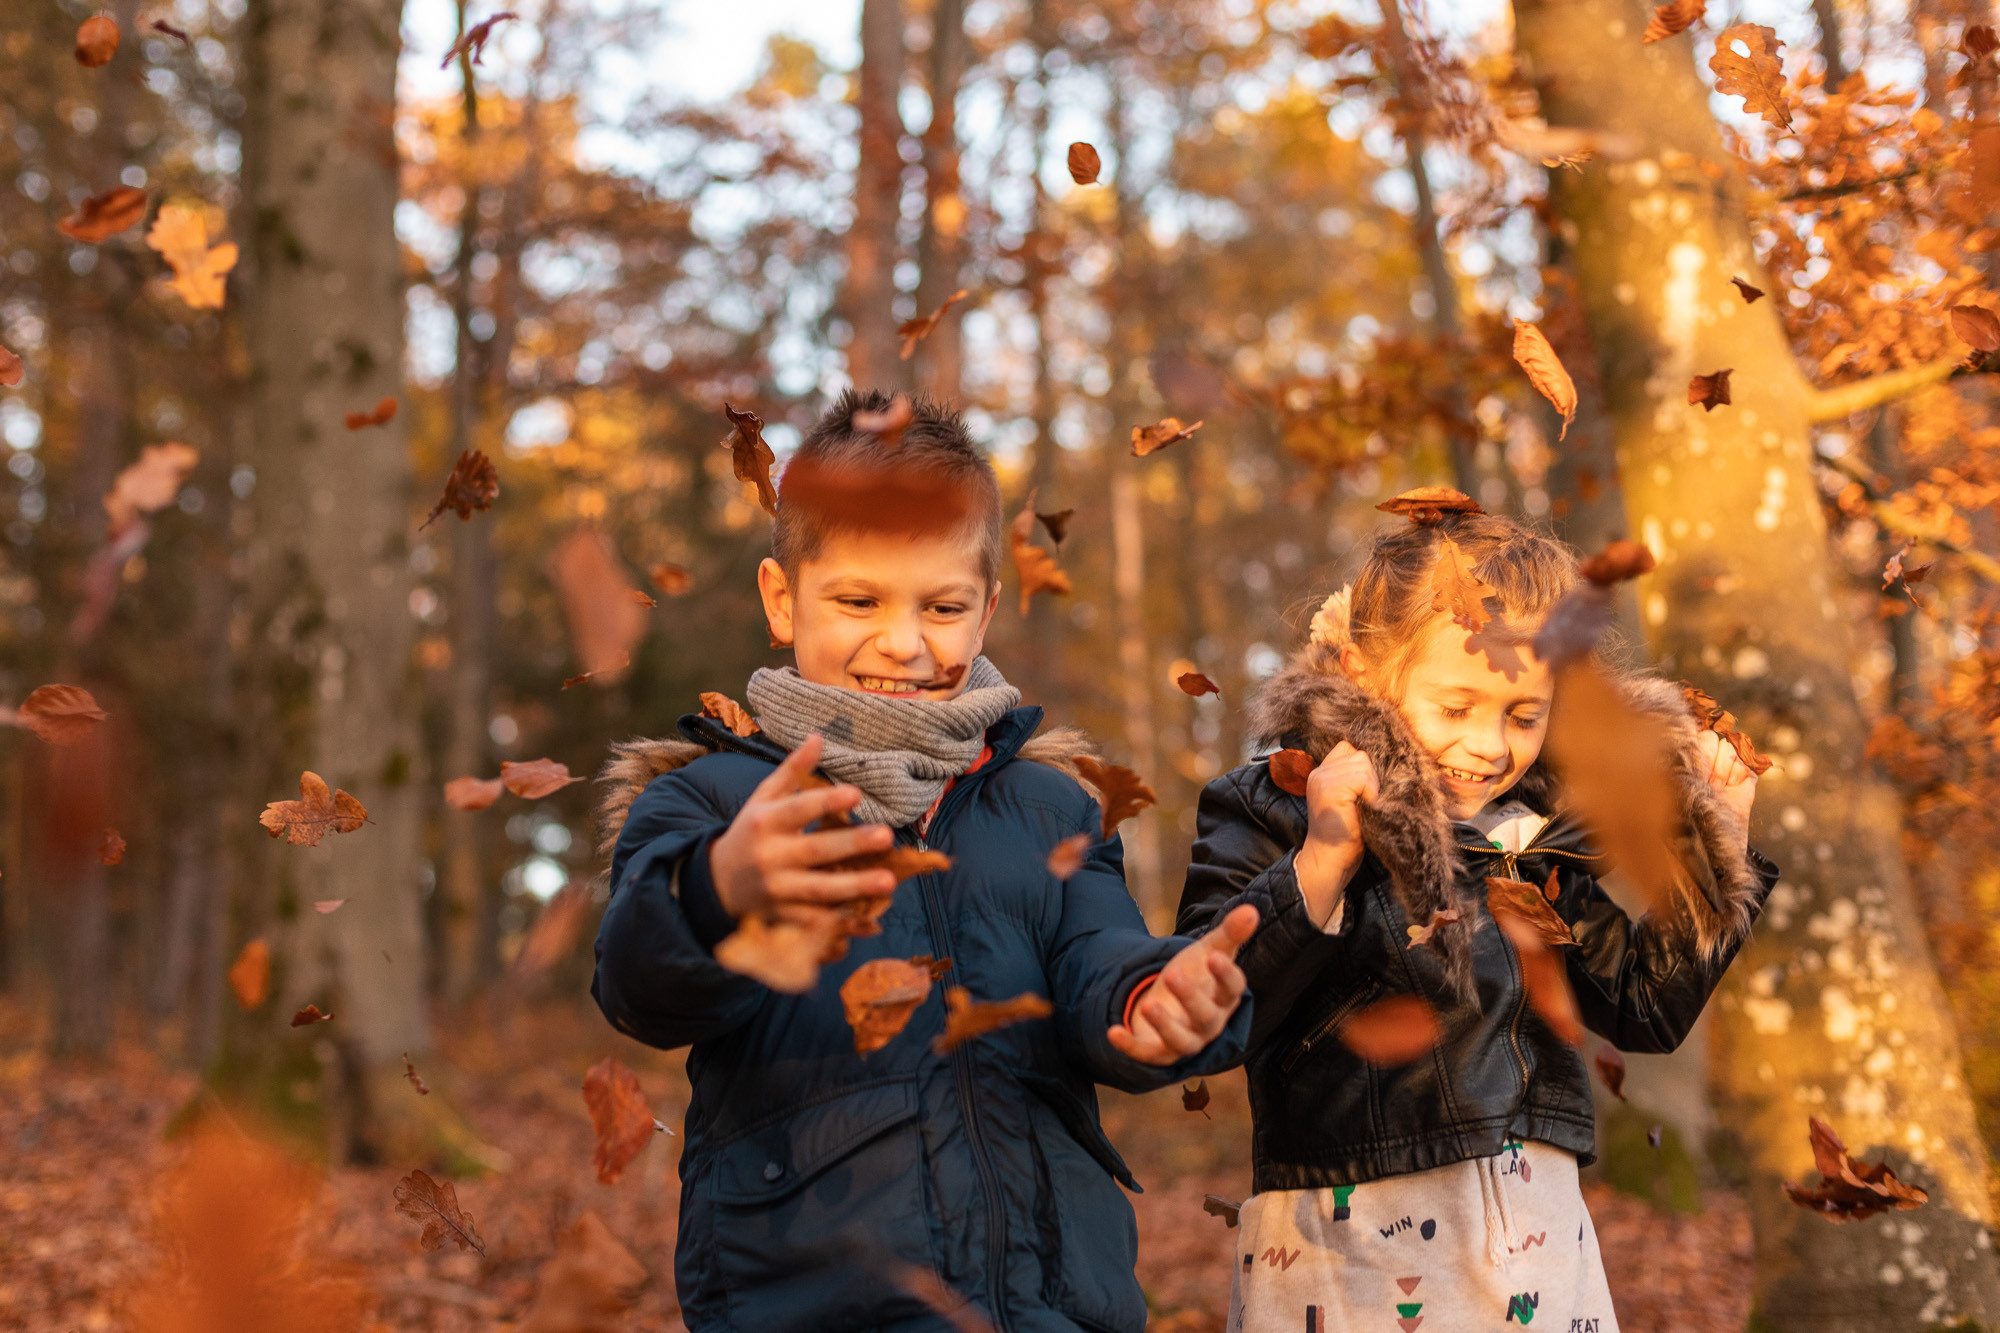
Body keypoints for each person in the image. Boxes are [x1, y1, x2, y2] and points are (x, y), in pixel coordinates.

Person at [592, 389, 1259, 1333]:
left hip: (1050, 1300)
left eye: (941, 606)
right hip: (812, 1300)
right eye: (858, 600)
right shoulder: (715, 801)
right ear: (783, 600)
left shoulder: (1050, 802)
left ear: (985, 611)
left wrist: (1153, 998)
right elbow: (637, 985)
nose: (902, 642)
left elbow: (1095, 954)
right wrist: (716, 892)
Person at [1178, 502, 1778, 1333]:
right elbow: (1209, 1012)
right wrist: (1320, 860)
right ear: (1362, 673)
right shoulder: (1277, 802)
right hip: (1348, 1238)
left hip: (1536, 1237)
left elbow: (1642, 1007)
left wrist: (1724, 849)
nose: (1492, 747)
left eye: (1523, 715)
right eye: (1455, 707)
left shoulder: (1533, 838)